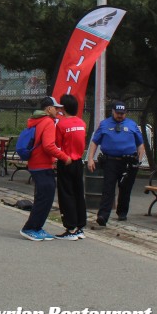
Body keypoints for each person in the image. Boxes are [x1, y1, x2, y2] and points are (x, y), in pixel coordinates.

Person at [21, 96, 73, 241]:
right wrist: (64, 157)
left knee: (43, 197)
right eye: (55, 108)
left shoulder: (36, 120)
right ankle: (30, 228)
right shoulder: (48, 122)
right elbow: (48, 145)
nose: (58, 111)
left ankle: (37, 227)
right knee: (44, 198)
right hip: (42, 165)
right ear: (49, 109)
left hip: (36, 163)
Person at [86, 100, 145, 226]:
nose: (120, 115)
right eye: (117, 113)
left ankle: (122, 212)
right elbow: (95, 142)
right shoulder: (104, 124)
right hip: (111, 161)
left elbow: (140, 144)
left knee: (125, 188)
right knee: (108, 189)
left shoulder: (132, 125)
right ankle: (103, 215)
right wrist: (90, 158)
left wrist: (139, 160)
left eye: (122, 113)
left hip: (128, 162)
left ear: (126, 113)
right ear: (113, 111)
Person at [54, 94, 87, 239]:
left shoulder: (61, 125)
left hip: (66, 161)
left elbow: (57, 143)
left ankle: (70, 227)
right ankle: (80, 226)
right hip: (78, 161)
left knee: (66, 194)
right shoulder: (82, 123)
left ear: (63, 108)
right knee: (79, 193)